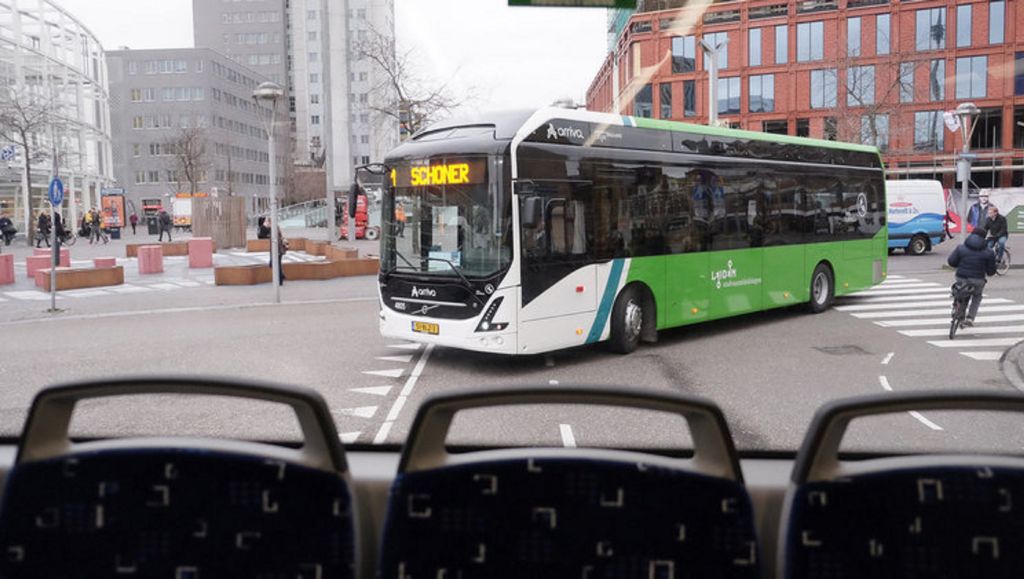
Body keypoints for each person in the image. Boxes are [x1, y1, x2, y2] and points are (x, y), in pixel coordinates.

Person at [947, 226, 997, 327]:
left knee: (960, 290)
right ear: (984, 238)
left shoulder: (961, 248)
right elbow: (991, 271)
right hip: (978, 279)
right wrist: (988, 272)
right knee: (977, 295)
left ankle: (956, 309)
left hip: (961, 277)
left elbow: (951, 262)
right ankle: (970, 317)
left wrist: (959, 265)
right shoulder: (988, 252)